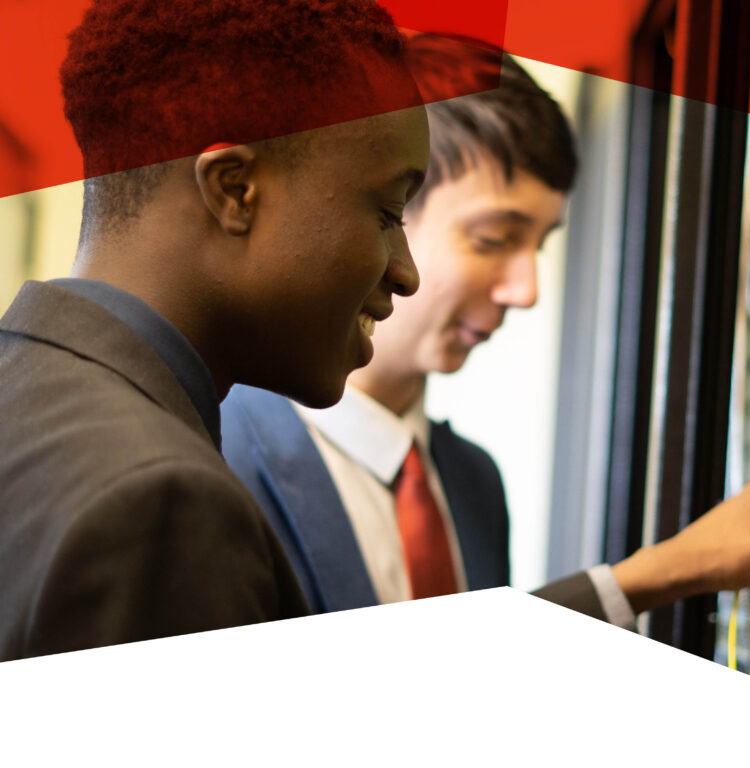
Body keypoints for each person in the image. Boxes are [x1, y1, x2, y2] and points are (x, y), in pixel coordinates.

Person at [222, 36, 750, 628]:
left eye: (539, 244)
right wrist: (649, 578)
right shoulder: (217, 451)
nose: (526, 290)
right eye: (494, 239)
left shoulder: (473, 484)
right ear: (388, 214)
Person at [0, 0, 430, 660]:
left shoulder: (28, 398)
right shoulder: (163, 505)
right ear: (235, 191)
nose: (406, 273)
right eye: (386, 211)